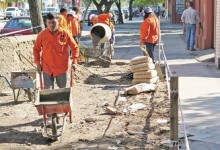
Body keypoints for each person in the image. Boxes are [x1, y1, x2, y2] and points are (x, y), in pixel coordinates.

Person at [33, 13, 79, 89]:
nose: (51, 25)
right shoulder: (42, 35)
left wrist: (74, 62)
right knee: (48, 93)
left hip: (62, 69)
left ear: (58, 21)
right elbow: (36, 49)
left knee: (63, 92)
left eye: (53, 22)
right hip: (47, 69)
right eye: (49, 23)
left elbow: (75, 47)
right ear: (46, 22)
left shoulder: (65, 33)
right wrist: (38, 63)